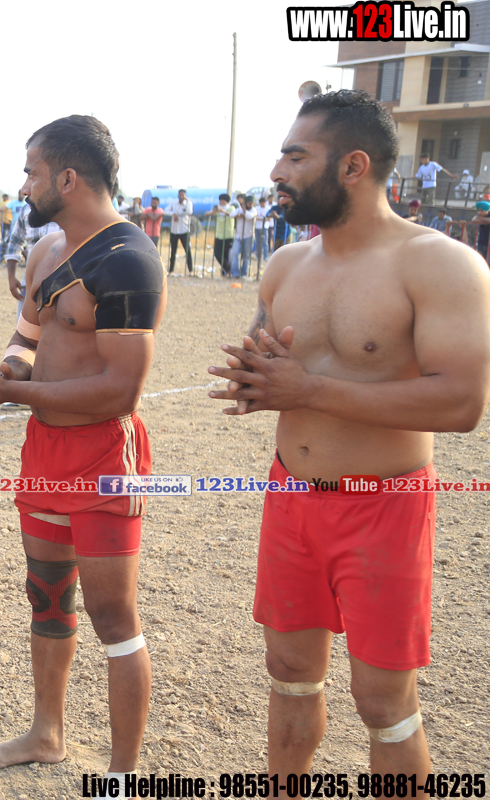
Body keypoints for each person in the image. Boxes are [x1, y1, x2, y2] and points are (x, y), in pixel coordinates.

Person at [209, 89, 490, 779]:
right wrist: (253, 382)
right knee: (289, 671)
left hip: (383, 505)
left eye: (295, 157)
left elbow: (461, 402)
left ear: (353, 166)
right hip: (291, 497)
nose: (277, 172)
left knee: (382, 701)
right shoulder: (285, 264)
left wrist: (307, 390)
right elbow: (272, 364)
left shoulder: (441, 264)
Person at [0, 115, 163, 778]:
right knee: (48, 593)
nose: (22, 186)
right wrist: (4, 375)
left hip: (103, 455)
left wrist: (13, 393)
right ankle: (46, 734)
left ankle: (121, 776)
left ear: (66, 178)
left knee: (113, 616)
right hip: (44, 448)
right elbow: (28, 337)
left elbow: (120, 390)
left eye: (30, 172)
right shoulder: (46, 251)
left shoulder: (128, 260)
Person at [4, 200, 61, 318]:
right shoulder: (26, 210)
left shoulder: (64, 206)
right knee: (25, 326)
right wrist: (11, 277)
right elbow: (15, 242)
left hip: (60, 283)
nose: (25, 191)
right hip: (30, 282)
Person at [167, 189, 194, 275]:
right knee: (173, 251)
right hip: (174, 230)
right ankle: (171, 270)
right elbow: (166, 210)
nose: (181, 196)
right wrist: (173, 213)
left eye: (183, 195)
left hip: (184, 230)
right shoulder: (173, 203)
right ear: (178, 195)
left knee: (187, 251)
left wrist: (187, 201)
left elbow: (190, 211)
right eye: (180, 195)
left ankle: (191, 270)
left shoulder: (188, 203)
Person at [209, 193, 234, 277]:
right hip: (219, 235)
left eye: (223, 202)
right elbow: (208, 214)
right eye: (221, 202)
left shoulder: (231, 208)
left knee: (226, 255)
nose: (222, 203)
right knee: (217, 254)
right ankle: (228, 269)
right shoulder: (218, 209)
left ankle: (225, 272)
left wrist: (222, 211)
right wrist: (213, 211)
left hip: (228, 234)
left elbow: (231, 214)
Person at [231, 195, 256, 278]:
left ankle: (243, 274)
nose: (251, 205)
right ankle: (235, 273)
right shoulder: (239, 210)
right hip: (238, 236)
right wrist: (240, 213)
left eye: (252, 203)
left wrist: (244, 211)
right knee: (234, 253)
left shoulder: (253, 210)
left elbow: (249, 216)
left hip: (249, 236)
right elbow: (231, 214)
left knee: (246, 256)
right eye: (249, 203)